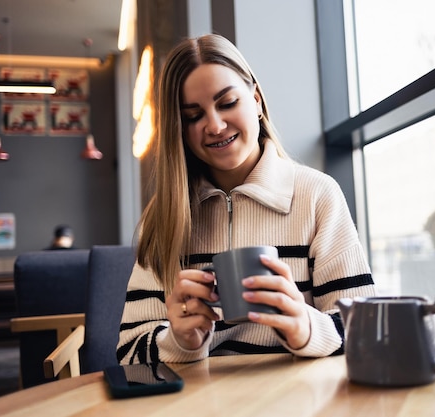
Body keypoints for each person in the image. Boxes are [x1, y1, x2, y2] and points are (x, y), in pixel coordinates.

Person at [117, 34, 375, 364]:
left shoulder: (316, 195)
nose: (215, 125)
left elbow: (367, 330)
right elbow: (128, 352)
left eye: (227, 103)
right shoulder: (165, 214)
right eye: (193, 115)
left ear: (255, 99)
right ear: (178, 128)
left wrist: (305, 328)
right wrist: (179, 341)